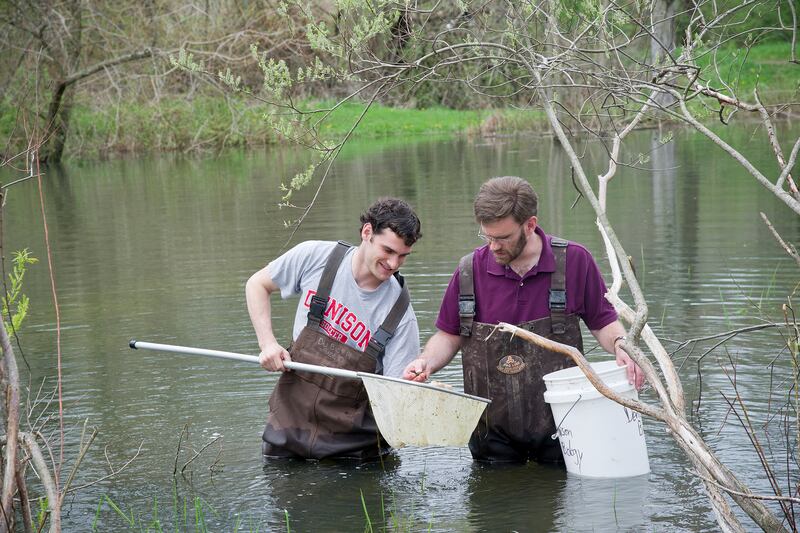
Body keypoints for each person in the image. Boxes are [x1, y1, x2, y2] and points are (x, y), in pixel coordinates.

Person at [403, 176, 643, 463]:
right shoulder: (469, 270)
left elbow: (603, 322)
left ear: (530, 225)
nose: (493, 246)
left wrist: (621, 345)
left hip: (564, 428)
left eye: (503, 238)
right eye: (487, 237)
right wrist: (425, 362)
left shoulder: (575, 261)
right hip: (491, 436)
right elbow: (449, 335)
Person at [246, 197, 422, 460]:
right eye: (388, 250)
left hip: (353, 450)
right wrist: (268, 343)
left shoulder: (401, 315)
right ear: (367, 232)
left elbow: (395, 396)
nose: (394, 263)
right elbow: (257, 284)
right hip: (287, 431)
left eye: (403, 256)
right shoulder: (315, 256)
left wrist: (412, 386)